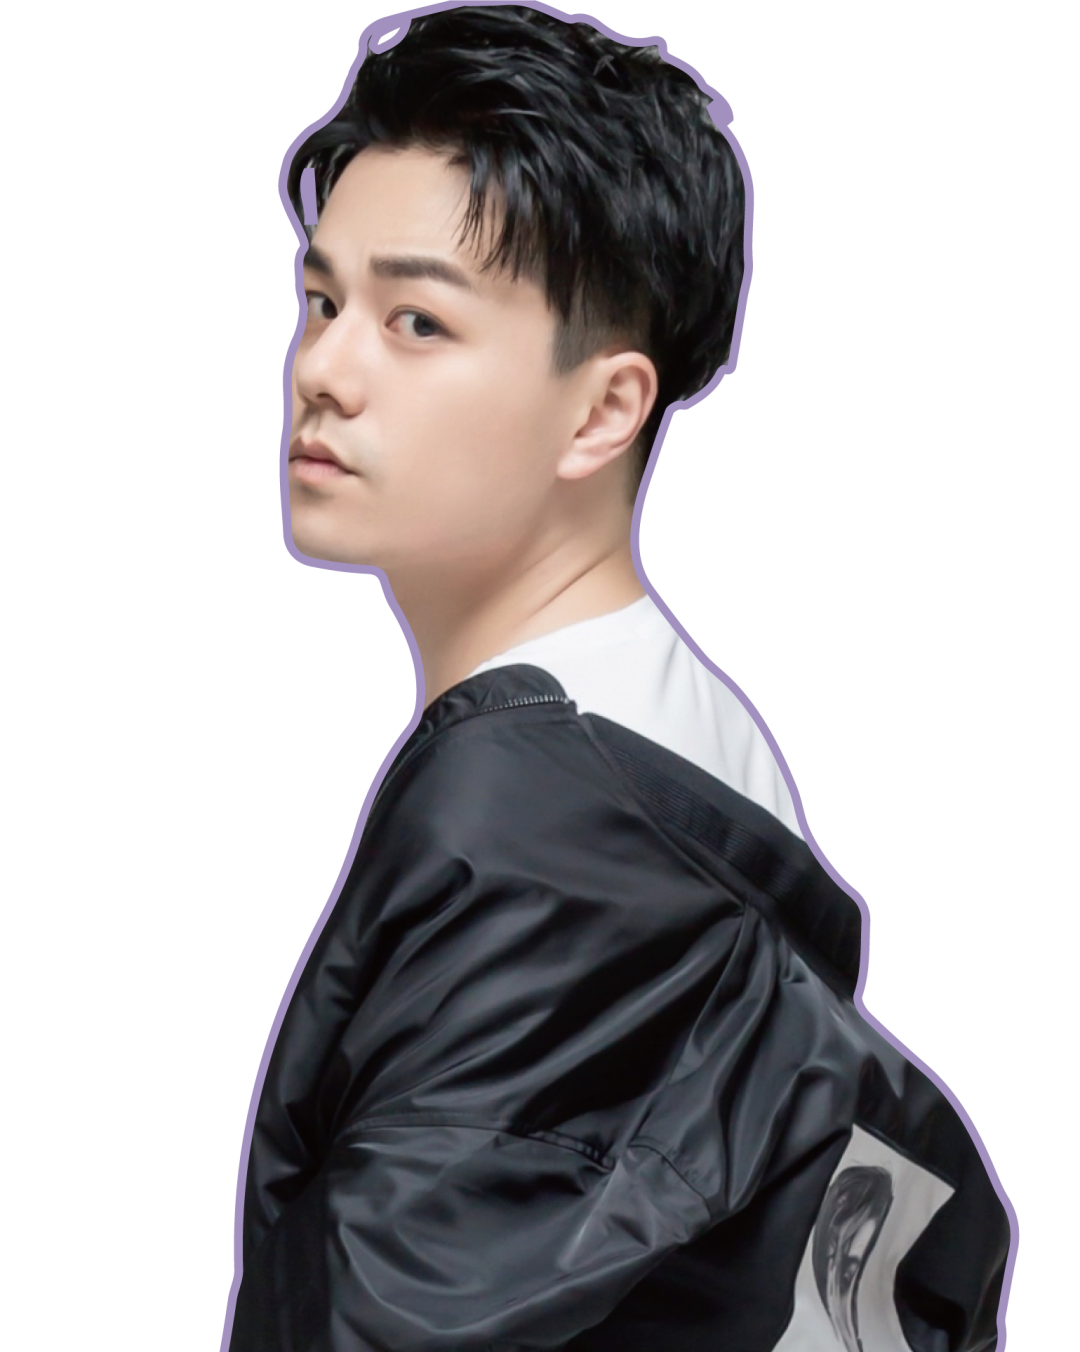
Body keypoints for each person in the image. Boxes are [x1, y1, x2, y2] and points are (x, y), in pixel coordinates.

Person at [228, 8, 1011, 1350]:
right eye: (322, 302)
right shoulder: (683, 741)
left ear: (603, 408)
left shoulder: (535, 825)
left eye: (416, 320)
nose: (323, 372)